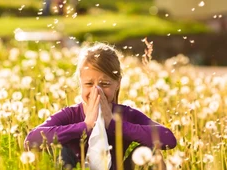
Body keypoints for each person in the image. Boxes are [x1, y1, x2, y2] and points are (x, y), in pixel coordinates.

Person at [25, 43, 177, 169]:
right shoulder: (70, 114)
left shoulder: (126, 114)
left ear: (117, 84)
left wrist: (114, 125)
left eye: (104, 84)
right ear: (80, 83)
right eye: (89, 84)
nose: (96, 91)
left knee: (152, 154)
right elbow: (31, 140)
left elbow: (168, 139)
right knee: (62, 151)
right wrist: (85, 126)